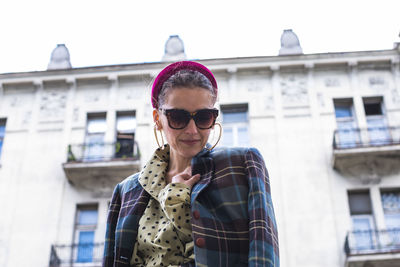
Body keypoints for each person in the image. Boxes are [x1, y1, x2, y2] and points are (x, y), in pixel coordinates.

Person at [103, 61, 279, 267]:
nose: (192, 130)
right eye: (178, 117)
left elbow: (264, 255)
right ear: (158, 119)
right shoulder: (126, 191)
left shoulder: (241, 166)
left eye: (204, 117)